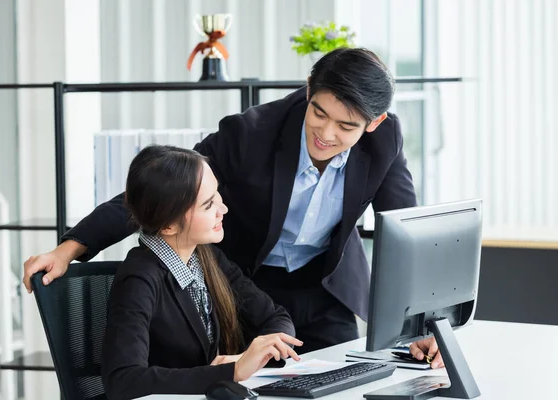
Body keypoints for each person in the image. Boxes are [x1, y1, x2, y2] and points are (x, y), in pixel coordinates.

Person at [24, 47, 444, 368]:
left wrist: (424, 328)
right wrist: (71, 247)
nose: (326, 133)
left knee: (344, 384)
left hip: (326, 288)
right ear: (309, 87)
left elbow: (405, 233)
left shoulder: (385, 140)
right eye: (319, 112)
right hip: (248, 288)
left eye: (346, 126)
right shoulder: (251, 134)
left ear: (374, 122)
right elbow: (165, 191)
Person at [101, 145, 301, 399]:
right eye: (208, 205)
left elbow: (274, 317)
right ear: (169, 225)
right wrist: (232, 370)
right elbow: (123, 380)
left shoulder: (206, 256)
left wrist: (256, 353)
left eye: (217, 195)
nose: (223, 209)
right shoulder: (139, 278)